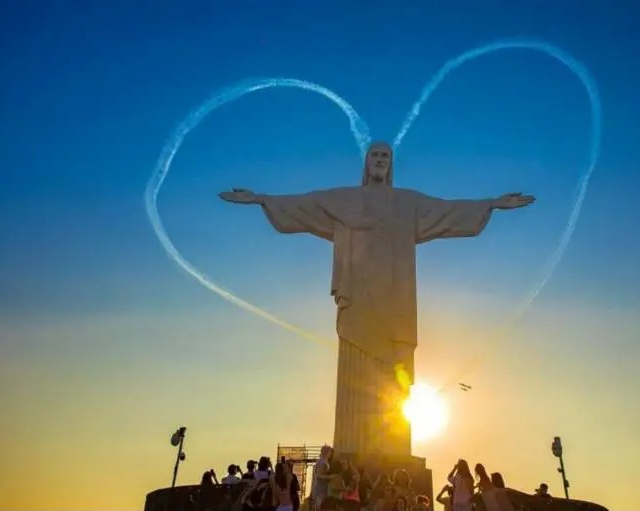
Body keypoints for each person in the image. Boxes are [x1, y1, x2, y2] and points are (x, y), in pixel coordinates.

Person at [220, 142, 535, 457]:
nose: (380, 160)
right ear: (366, 163)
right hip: (357, 297)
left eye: (386, 156)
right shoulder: (345, 200)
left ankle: (392, 451)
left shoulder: (407, 203)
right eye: (375, 155)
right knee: (355, 364)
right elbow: (307, 204)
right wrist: (261, 199)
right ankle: (351, 447)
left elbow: (446, 209)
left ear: (391, 164)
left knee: (393, 380)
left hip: (395, 302)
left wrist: (490, 204)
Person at [311, 446, 332, 511]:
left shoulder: (324, 461)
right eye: (330, 452)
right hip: (319, 491)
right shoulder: (321, 462)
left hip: (322, 489)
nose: (330, 454)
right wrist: (330, 477)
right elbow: (318, 476)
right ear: (327, 452)